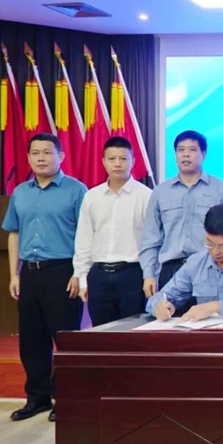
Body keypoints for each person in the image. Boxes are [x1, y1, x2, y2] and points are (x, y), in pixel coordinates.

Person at [1, 133, 87, 422]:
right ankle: (36, 398)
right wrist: (14, 273)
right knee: (31, 340)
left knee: (64, 339)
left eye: (47, 152)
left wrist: (79, 273)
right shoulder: (20, 192)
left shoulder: (76, 190)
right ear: (28, 158)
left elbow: (86, 236)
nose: (41, 158)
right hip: (30, 273)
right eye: (35, 153)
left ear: (60, 156)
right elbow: (14, 233)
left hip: (63, 272)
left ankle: (66, 398)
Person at [139, 130, 223, 316]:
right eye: (181, 150)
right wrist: (149, 274)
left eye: (192, 150)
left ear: (203, 154)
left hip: (209, 267)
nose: (186, 154)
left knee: (211, 322)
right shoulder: (160, 192)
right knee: (169, 322)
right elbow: (151, 238)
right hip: (171, 270)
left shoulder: (220, 189)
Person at [74, 136, 152, 327]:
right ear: (103, 162)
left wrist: (149, 276)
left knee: (134, 332)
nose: (117, 163)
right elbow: (84, 240)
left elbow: (152, 241)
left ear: (133, 161)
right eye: (112, 158)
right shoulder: (92, 196)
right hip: (99, 275)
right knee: (102, 333)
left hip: (132, 274)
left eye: (123, 158)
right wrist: (82, 279)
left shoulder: (146, 196)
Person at [147, 203, 223, 320]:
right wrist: (159, 307)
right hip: (209, 333)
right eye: (210, 243)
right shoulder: (195, 263)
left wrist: (215, 307)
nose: (216, 252)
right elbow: (160, 298)